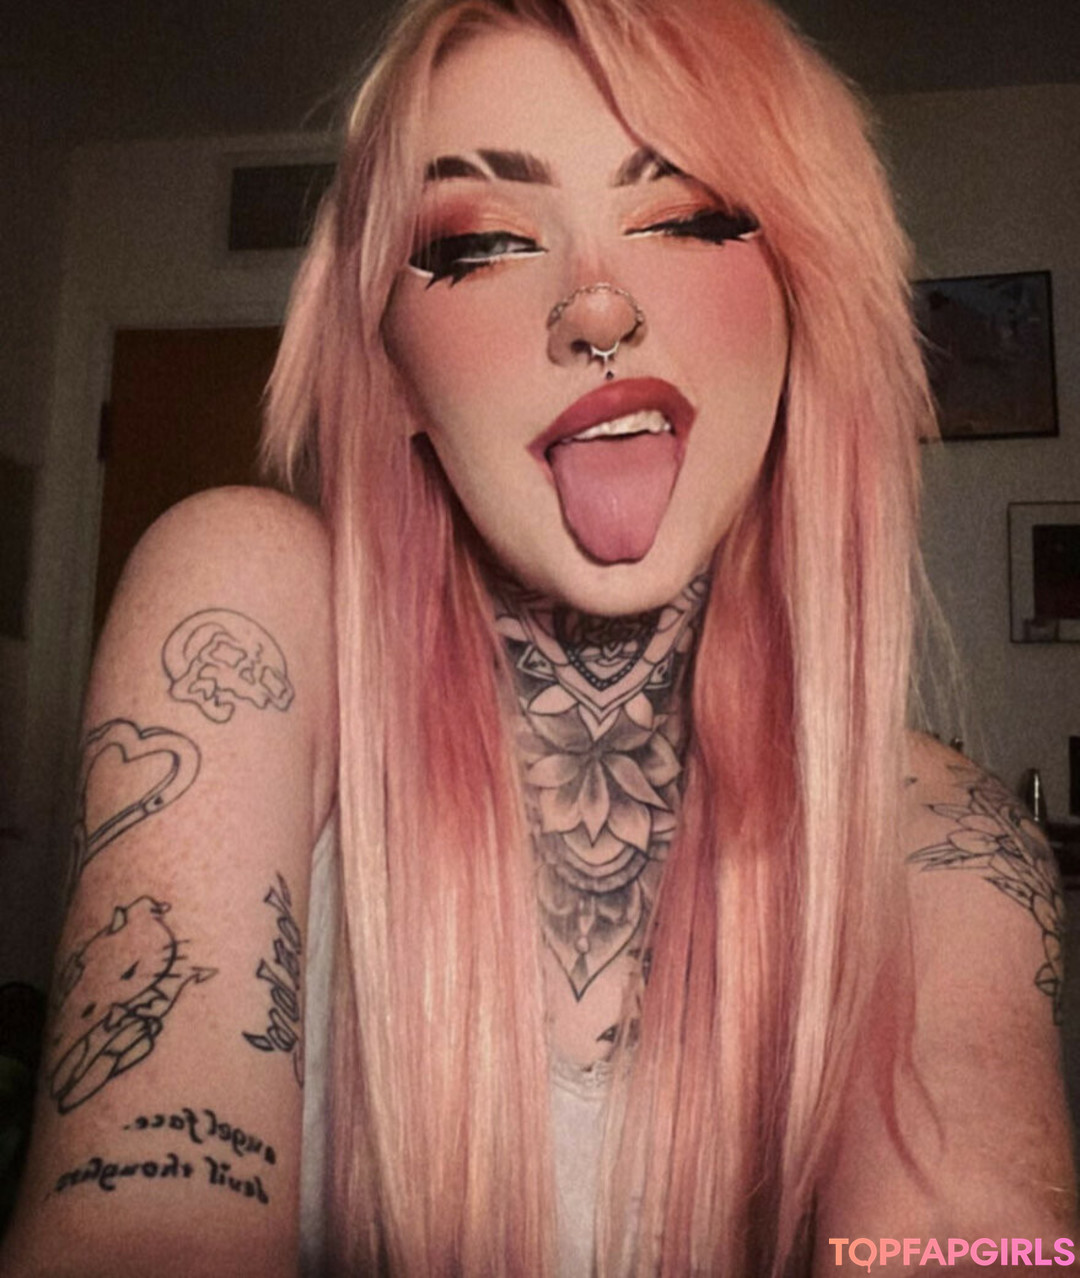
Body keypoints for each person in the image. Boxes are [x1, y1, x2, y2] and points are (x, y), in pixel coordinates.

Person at [2, 0, 1075, 1274]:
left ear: (803, 301)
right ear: (389, 360)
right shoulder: (246, 613)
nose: (599, 306)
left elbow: (974, 1243)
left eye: (685, 216)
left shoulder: (944, 839)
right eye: (482, 243)